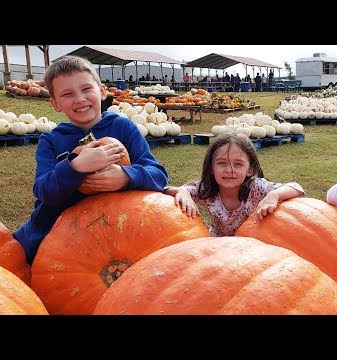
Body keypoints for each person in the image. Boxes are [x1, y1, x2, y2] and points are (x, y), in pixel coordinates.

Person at [13, 55, 169, 264]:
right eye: (68, 94)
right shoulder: (50, 140)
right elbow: (43, 191)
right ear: (55, 103)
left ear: (102, 91)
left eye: (86, 89)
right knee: (24, 262)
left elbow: (158, 175)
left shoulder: (123, 127)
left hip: (118, 226)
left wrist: (125, 176)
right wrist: (75, 166)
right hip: (62, 234)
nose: (79, 99)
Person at [164, 132, 305, 236]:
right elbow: (167, 190)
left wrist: (274, 195)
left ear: (249, 169)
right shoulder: (207, 190)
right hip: (217, 248)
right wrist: (181, 192)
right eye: (222, 163)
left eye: (238, 164)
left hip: (250, 247)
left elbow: (296, 188)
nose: (229, 170)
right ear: (211, 168)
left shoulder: (256, 188)